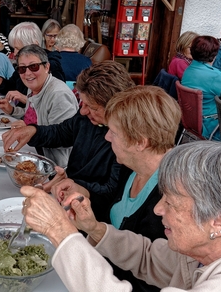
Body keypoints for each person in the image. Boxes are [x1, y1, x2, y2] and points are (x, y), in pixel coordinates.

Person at [21, 141, 221, 291]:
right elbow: (148, 257)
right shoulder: (199, 254)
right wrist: (94, 228)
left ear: (218, 220)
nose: (158, 209)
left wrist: (59, 230)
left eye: (170, 202)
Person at [54, 86, 181, 291]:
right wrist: (83, 192)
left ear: (140, 142)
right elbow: (113, 208)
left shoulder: (172, 200)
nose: (107, 137)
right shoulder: (130, 167)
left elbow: (146, 280)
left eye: (114, 132)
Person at [2, 61, 135, 221]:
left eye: (92, 107)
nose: (83, 110)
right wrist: (33, 130)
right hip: (63, 196)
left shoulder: (125, 139)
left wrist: (71, 183)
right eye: (83, 103)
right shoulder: (87, 118)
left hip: (89, 217)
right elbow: (62, 132)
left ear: (114, 106)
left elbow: (110, 193)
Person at [0, 45, 78, 167]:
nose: (28, 73)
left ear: (47, 67)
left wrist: (31, 130)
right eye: (22, 69)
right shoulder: (34, 86)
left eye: (33, 66)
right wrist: (12, 110)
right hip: (33, 152)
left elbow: (62, 137)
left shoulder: (59, 95)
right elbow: (32, 116)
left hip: (54, 166)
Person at [0, 22, 65, 99]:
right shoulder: (23, 63)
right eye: (14, 48)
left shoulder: (51, 65)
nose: (15, 53)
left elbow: (55, 99)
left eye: (18, 48)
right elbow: (12, 86)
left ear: (34, 45)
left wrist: (25, 99)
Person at [182, 35, 221, 141]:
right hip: (212, 127)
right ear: (215, 54)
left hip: (192, 121)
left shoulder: (188, 70)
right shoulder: (215, 76)